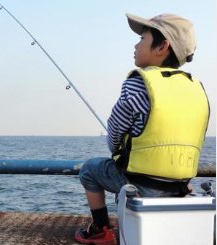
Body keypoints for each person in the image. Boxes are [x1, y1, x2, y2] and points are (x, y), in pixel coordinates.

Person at [75, 13, 210, 245]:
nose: (136, 45)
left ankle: (100, 230)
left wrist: (117, 150)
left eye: (142, 38)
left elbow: (115, 132)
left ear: (162, 47)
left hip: (144, 186)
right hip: (180, 187)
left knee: (90, 169)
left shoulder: (138, 83)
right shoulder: (197, 88)